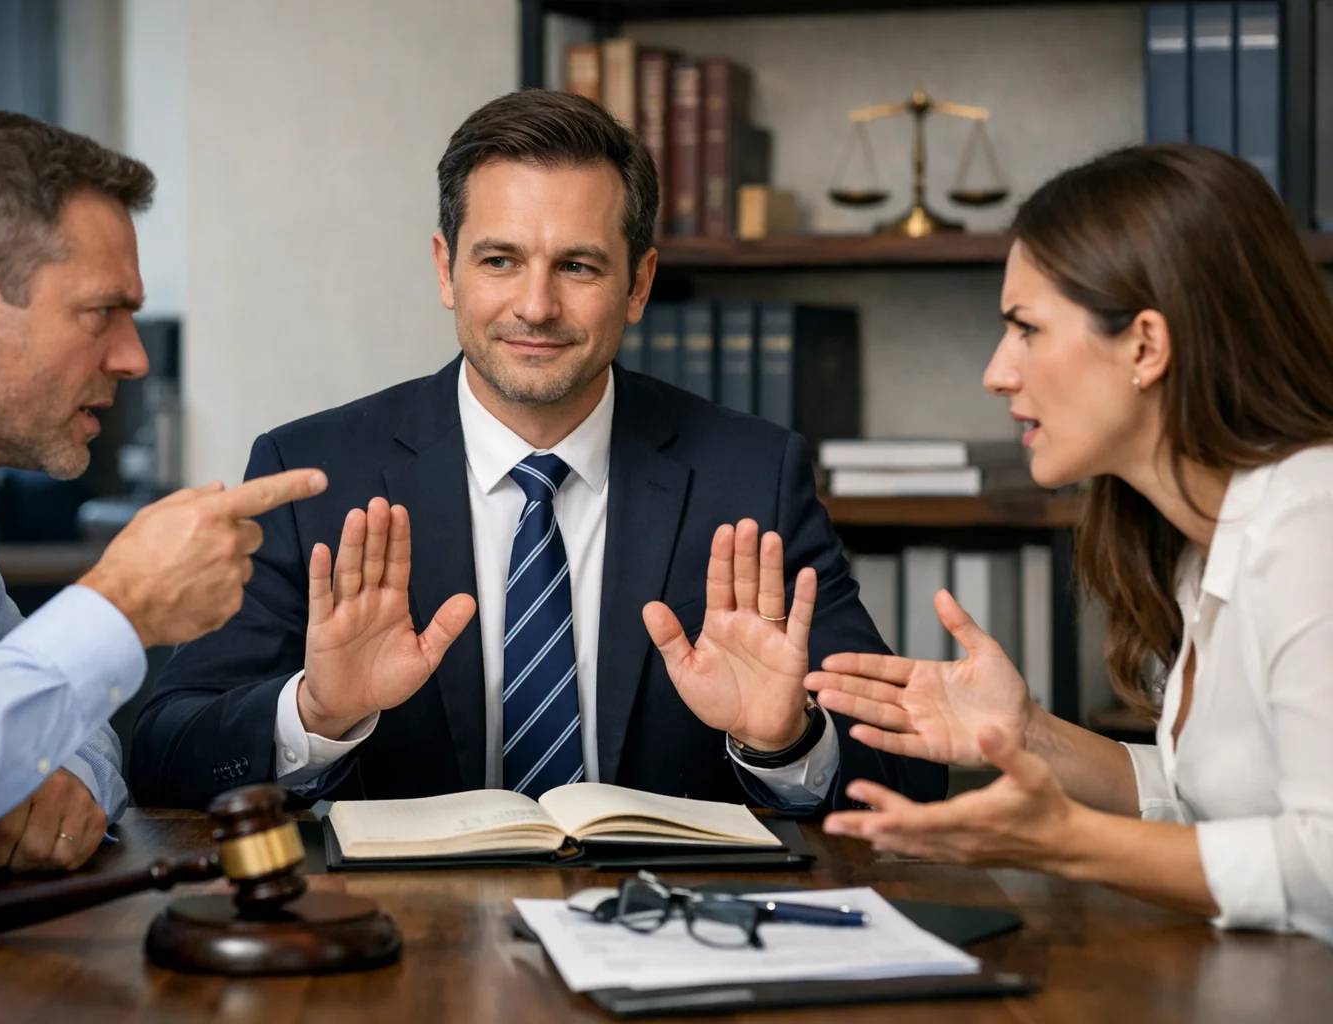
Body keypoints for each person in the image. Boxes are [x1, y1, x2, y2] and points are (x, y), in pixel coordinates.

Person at [130, 90, 944, 813]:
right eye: (500, 260)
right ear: (447, 268)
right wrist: (314, 715)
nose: (535, 305)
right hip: (401, 951)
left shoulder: (752, 477)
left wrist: (787, 739)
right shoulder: (312, 475)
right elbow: (163, 751)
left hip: (663, 941)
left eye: (579, 266)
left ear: (639, 284)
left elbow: (908, 774)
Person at [0, 110, 326, 923]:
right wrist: (122, 603)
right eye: (101, 312)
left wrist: (67, 777)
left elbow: (69, 722)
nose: (134, 357)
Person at [810, 143, 1333, 944]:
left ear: (1146, 347)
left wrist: (1070, 844)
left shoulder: (1312, 527)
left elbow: (1324, 864)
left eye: (1026, 329)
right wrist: (1030, 735)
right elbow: (1226, 802)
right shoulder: (1200, 543)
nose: (996, 373)